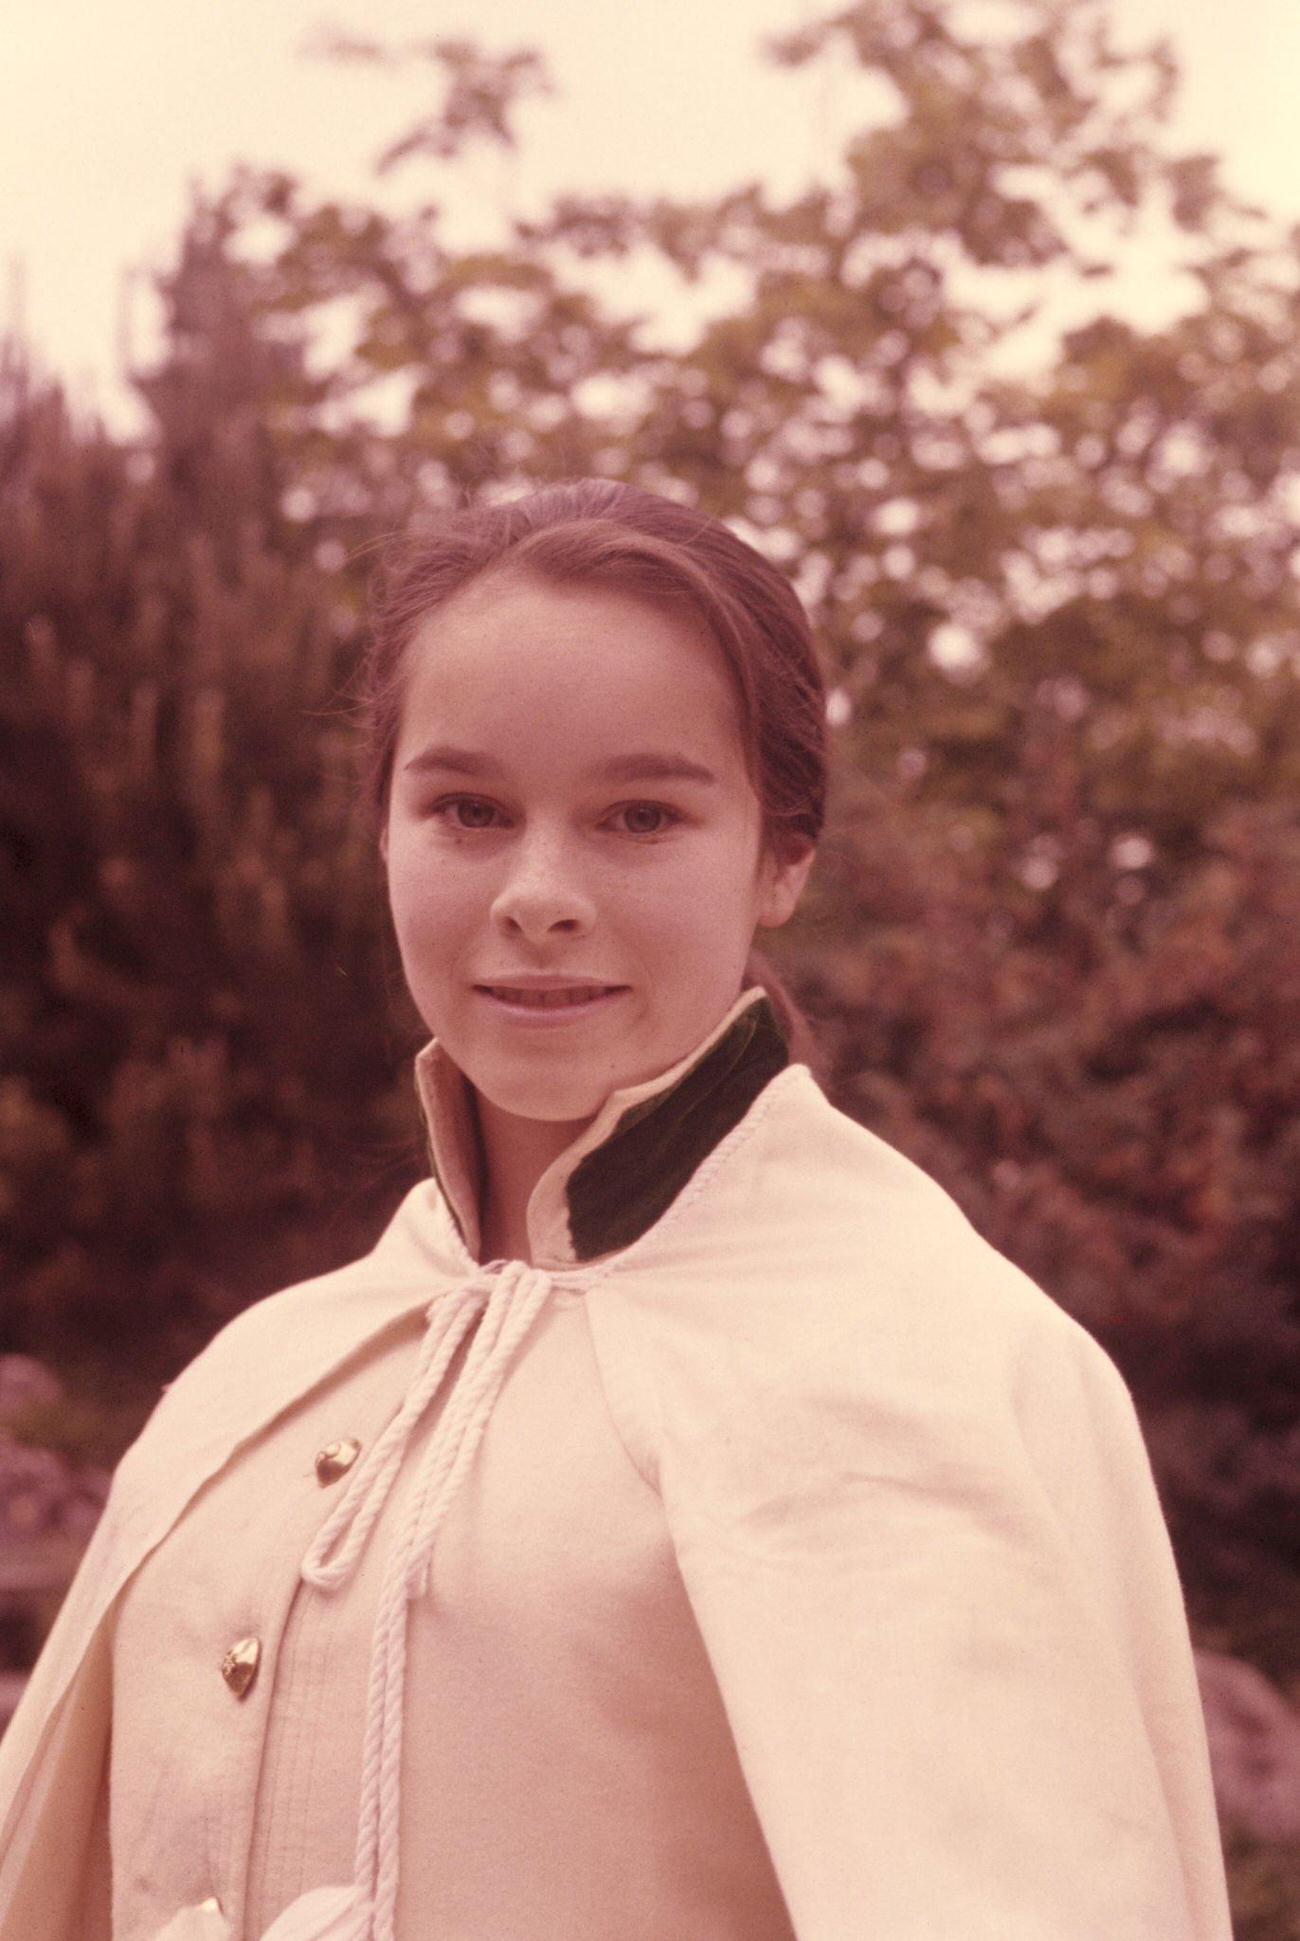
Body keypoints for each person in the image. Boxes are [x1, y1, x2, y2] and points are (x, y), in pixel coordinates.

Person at [0, 478, 1233, 1940]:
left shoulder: (943, 1366)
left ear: (784, 855)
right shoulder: (257, 1379)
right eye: (467, 808)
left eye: (638, 815)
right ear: (382, 829)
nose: (539, 891)